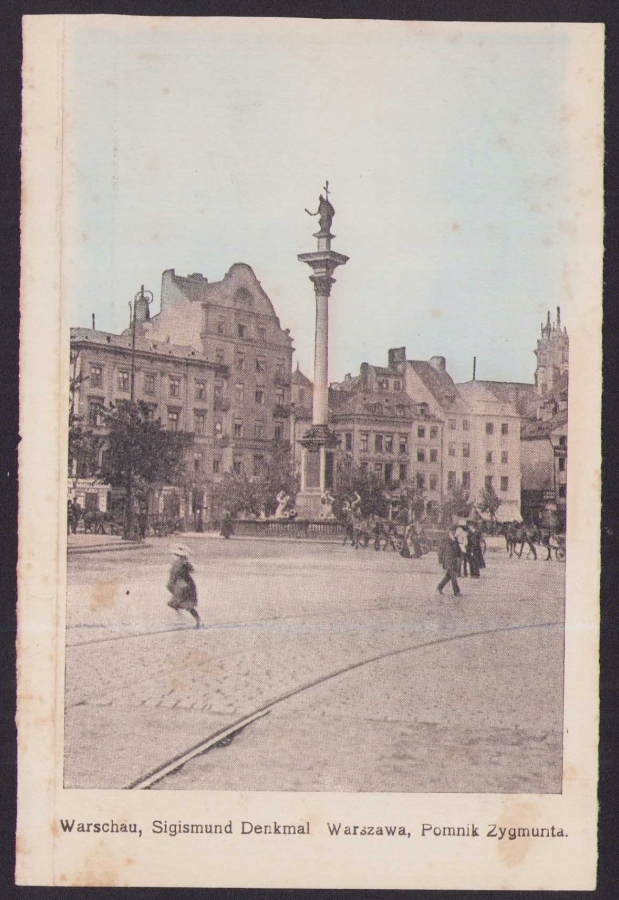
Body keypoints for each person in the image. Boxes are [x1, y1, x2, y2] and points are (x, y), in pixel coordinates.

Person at [166, 545, 202, 629]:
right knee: (184, 604)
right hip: (181, 584)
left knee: (185, 604)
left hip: (184, 585)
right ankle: (194, 619)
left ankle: (195, 620)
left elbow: (174, 575)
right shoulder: (181, 563)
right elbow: (192, 570)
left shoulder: (179, 563)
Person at [436, 526, 462, 597]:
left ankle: (439, 587)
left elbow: (458, 549)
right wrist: (440, 561)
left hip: (454, 560)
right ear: (450, 531)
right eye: (454, 531)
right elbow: (440, 550)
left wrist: (460, 556)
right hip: (448, 560)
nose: (455, 532)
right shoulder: (445, 538)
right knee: (453, 576)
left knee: (448, 576)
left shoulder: (455, 539)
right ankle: (456, 591)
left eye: (455, 531)